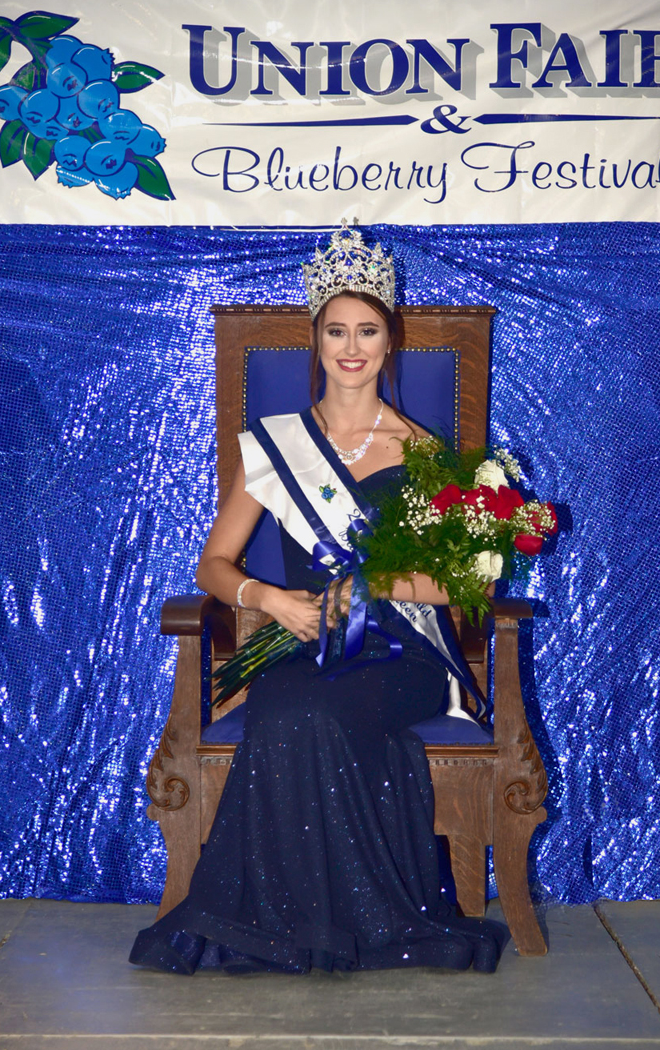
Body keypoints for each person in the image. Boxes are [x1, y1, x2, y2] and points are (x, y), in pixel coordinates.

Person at [130, 226, 506, 974]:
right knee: (284, 706)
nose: (352, 347)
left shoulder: (425, 454)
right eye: (337, 331)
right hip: (308, 639)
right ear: (316, 339)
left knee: (311, 713)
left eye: (368, 330)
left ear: (390, 342)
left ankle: (349, 923)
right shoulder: (275, 445)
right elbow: (212, 566)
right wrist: (269, 599)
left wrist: (377, 584)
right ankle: (302, 926)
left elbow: (464, 584)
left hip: (403, 652)